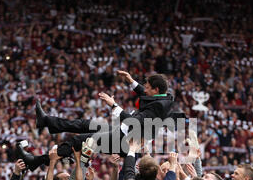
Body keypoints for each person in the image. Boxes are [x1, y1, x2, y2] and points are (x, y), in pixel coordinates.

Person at [18, 71, 175, 170]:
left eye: (148, 87)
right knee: (85, 124)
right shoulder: (164, 97)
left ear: (156, 90)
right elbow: (145, 94)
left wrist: (113, 105)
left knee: (78, 141)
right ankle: (46, 121)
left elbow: (132, 122)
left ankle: (36, 161)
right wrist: (131, 81)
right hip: (123, 132)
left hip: (126, 141)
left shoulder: (158, 107)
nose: (144, 89)